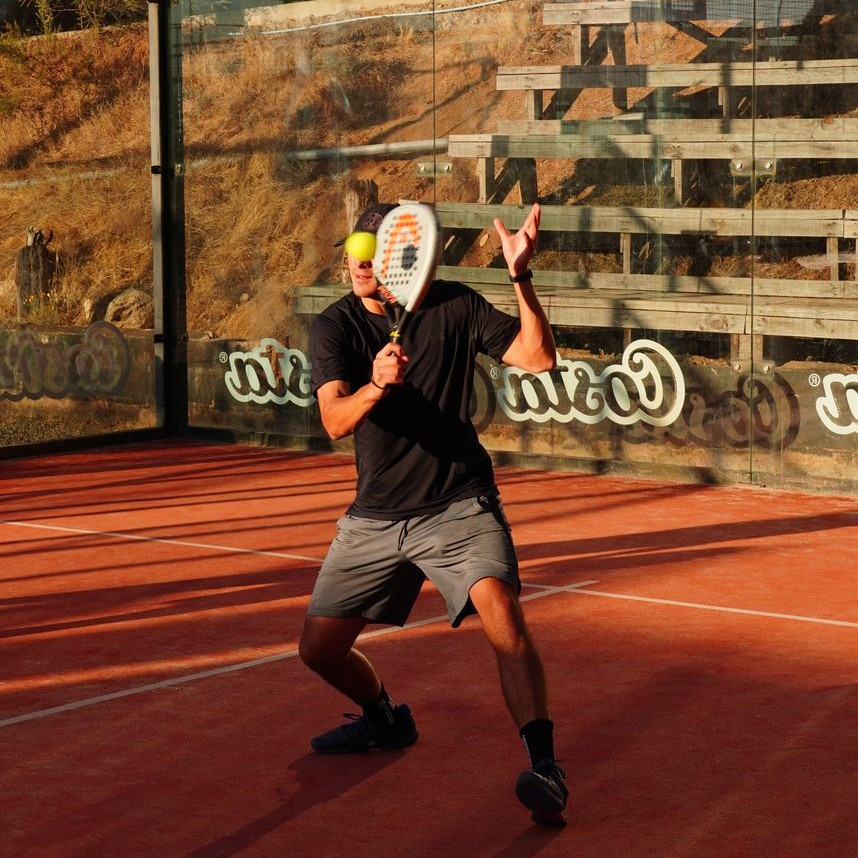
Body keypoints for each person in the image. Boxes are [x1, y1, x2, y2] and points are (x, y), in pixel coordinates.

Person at [299, 200, 568, 827]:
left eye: (373, 254)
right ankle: (385, 719)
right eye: (354, 251)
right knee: (318, 651)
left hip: (458, 503)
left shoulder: (455, 306)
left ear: (402, 259)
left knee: (502, 611)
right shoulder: (334, 327)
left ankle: (546, 768)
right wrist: (375, 385)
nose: (358, 264)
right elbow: (334, 420)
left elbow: (539, 358)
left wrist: (521, 276)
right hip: (376, 516)